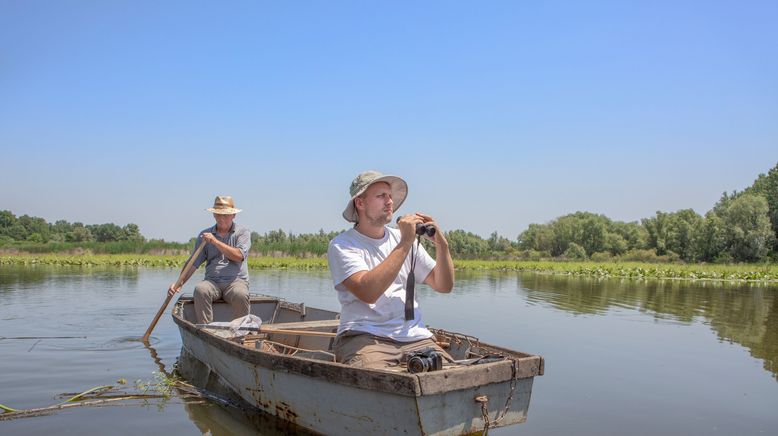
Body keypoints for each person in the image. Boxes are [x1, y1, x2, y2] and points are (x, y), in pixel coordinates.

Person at [327, 170, 455, 369]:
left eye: (390, 196)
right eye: (381, 196)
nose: (389, 202)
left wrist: (442, 244)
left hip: (416, 337)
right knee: (374, 379)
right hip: (364, 336)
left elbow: (443, 285)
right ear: (360, 203)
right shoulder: (343, 245)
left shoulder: (404, 241)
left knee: (451, 374)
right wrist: (405, 242)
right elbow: (368, 292)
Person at [168, 196, 251, 324]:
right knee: (200, 290)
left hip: (236, 281)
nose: (222, 218)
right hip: (212, 282)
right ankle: (207, 331)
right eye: (218, 214)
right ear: (214, 215)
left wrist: (215, 242)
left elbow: (239, 256)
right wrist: (178, 283)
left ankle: (242, 332)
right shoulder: (205, 236)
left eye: (226, 215)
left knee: (241, 294)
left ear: (233, 215)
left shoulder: (242, 232)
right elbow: (193, 263)